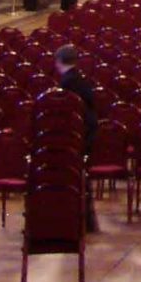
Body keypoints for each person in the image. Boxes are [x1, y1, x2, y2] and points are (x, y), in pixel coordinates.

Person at [55, 43, 99, 232]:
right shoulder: (82, 80)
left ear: (58, 62)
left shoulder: (66, 83)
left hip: (75, 136)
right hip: (86, 134)